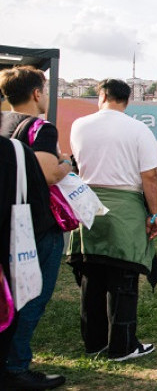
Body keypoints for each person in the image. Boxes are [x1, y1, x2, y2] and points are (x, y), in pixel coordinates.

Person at [68, 79, 157, 361]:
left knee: (91, 275)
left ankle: (94, 341)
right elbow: (149, 176)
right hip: (125, 207)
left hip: (88, 205)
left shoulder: (79, 126)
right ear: (127, 100)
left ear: (102, 96)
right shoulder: (137, 129)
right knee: (123, 276)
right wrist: (153, 213)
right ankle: (123, 345)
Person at [0, 69, 68, 389]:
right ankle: (16, 366)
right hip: (35, 224)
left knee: (9, 295)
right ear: (37, 94)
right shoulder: (41, 128)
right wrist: (67, 164)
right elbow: (47, 173)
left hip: (7, 219)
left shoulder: (3, 123)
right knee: (31, 295)